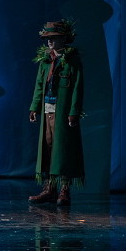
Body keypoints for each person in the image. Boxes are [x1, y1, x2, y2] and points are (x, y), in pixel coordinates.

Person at [28, 20, 84, 206]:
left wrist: (74, 111)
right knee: (48, 147)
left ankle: (64, 189)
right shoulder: (45, 61)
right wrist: (34, 107)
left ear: (64, 39)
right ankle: (50, 188)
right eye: (47, 38)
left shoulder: (72, 61)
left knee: (64, 148)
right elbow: (39, 86)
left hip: (63, 111)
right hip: (48, 109)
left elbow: (77, 87)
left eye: (53, 37)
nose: (49, 41)